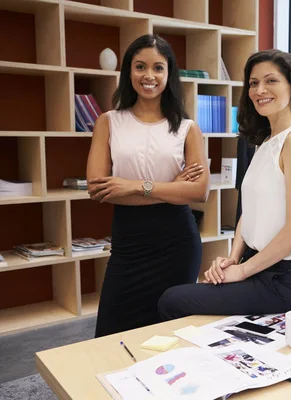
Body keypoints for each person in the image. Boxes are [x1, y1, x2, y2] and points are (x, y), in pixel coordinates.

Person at [158, 49, 291, 319]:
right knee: (181, 298)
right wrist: (232, 258)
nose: (260, 90)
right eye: (254, 83)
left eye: (271, 81)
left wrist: (242, 271)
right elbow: (250, 212)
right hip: (259, 265)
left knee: (173, 300)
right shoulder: (265, 143)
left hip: (289, 278)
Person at [86, 34, 210, 337]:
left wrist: (131, 187)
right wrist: (170, 190)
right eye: (140, 67)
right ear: (129, 71)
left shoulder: (187, 128)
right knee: (110, 335)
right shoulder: (108, 121)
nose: (149, 76)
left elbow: (199, 193)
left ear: (169, 74)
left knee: (170, 333)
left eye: (158, 68)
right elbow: (98, 188)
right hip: (129, 243)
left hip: (177, 243)